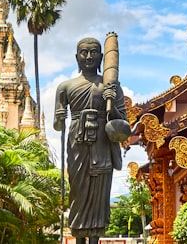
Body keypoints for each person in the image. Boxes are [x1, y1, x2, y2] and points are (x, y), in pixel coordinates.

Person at [54, 37, 128, 244]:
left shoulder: (111, 88)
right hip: (77, 144)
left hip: (102, 144)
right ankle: (78, 239)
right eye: (84, 52)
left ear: (102, 57)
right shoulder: (65, 87)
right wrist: (60, 118)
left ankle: (95, 238)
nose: (88, 57)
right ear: (76, 57)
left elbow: (123, 125)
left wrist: (110, 103)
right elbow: (57, 125)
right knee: (78, 192)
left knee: (99, 193)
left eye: (94, 52)